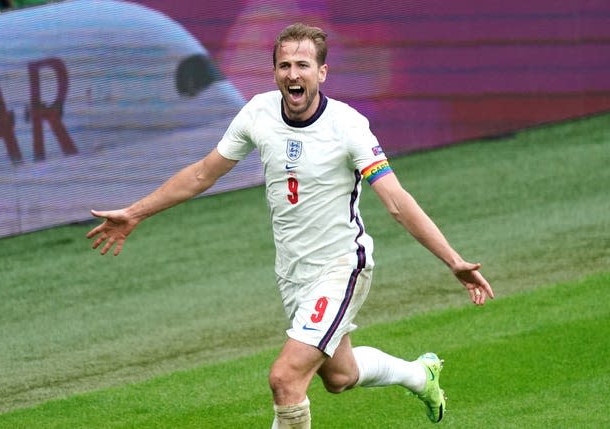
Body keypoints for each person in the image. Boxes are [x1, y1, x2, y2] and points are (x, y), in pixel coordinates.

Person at [87, 23, 494, 428]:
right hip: (293, 273)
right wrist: (136, 212)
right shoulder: (257, 114)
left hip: (340, 267)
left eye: (303, 65)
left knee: (285, 379)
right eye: (284, 65)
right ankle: (420, 376)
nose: (292, 74)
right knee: (339, 377)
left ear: (322, 72)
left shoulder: (348, 126)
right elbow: (201, 175)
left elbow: (397, 203)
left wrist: (452, 260)